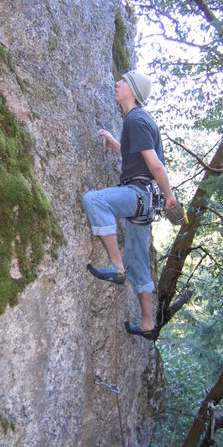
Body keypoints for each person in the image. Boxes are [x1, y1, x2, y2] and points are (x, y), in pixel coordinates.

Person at [82, 70, 177, 341]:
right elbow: (139, 157)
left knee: (94, 200)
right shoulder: (140, 121)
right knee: (138, 264)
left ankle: (115, 265)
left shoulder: (135, 119)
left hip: (138, 195)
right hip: (145, 204)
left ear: (132, 91)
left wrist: (169, 194)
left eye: (122, 81)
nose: (117, 83)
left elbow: (155, 165)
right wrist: (115, 144)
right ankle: (148, 323)